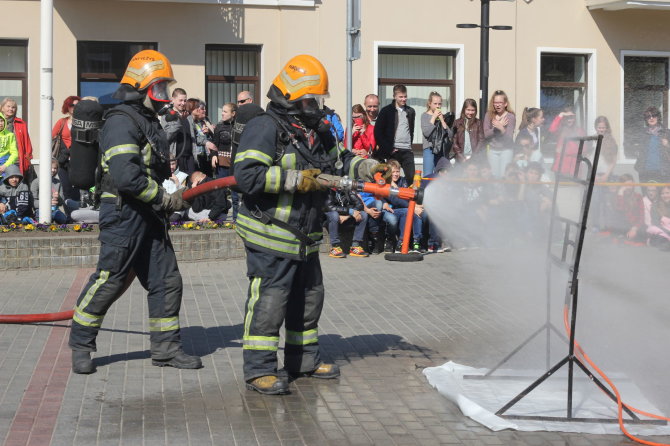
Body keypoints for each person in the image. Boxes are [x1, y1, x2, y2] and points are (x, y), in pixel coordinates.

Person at [233, 54, 387, 395]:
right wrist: (297, 179)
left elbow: (341, 161)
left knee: (309, 298)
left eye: (318, 99)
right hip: (271, 233)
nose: (317, 105)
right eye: (311, 99)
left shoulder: (315, 130)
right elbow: (247, 176)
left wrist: (371, 167)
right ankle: (259, 369)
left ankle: (303, 361)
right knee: (269, 303)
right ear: (292, 96)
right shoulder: (264, 127)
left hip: (304, 236)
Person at [68, 49, 200, 374]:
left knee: (167, 281)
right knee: (109, 280)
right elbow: (127, 177)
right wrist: (164, 198)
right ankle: (81, 345)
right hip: (124, 214)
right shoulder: (120, 122)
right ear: (144, 87)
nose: (166, 97)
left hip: (150, 216)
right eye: (160, 88)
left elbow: (154, 172)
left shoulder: (148, 122)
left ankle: (166, 349)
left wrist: (175, 192)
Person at [374, 84, 416, 181]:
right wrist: (389, 148)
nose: (403, 99)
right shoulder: (386, 111)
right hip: (393, 151)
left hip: (407, 150)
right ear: (394, 96)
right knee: (391, 177)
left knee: (411, 177)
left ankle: (407, 195)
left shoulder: (410, 111)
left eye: (405, 96)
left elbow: (411, 130)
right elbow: (378, 132)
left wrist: (410, 145)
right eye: (400, 97)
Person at [212, 102, 240, 221]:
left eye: (225, 111)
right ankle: (221, 218)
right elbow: (214, 143)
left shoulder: (239, 127)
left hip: (235, 164)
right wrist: (214, 155)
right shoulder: (219, 126)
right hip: (222, 164)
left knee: (235, 194)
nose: (222, 113)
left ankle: (236, 219)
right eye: (222, 111)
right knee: (221, 192)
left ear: (233, 113)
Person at [325, 187, 369, 258]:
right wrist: (350, 211)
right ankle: (335, 247)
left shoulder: (347, 189)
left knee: (363, 215)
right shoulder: (327, 191)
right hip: (330, 218)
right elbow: (330, 207)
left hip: (345, 216)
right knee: (334, 215)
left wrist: (348, 216)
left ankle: (355, 246)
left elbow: (360, 204)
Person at [52, 95, 81, 201]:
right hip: (63, 160)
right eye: (72, 105)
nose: (75, 107)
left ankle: (76, 214)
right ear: (67, 107)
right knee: (66, 188)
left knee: (77, 189)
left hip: (78, 160)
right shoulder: (62, 122)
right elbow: (51, 138)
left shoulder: (83, 122)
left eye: (78, 105)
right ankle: (69, 214)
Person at [162, 88, 196, 175]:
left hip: (189, 158)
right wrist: (179, 121)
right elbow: (167, 136)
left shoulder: (188, 116)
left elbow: (194, 136)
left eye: (185, 100)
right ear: (173, 100)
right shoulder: (167, 116)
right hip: (176, 159)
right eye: (180, 100)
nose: (183, 103)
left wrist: (206, 142)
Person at [483, 90, 516, 178]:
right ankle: (494, 192)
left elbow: (509, 137)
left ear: (505, 104)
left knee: (503, 175)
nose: (497, 105)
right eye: (495, 102)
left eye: (500, 102)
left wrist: (501, 128)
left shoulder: (511, 117)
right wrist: (496, 128)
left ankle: (504, 192)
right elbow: (486, 134)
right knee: (494, 176)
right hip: (492, 150)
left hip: (506, 150)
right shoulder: (488, 115)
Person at [634, 107, 670, 183]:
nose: (651, 118)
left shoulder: (666, 132)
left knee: (662, 194)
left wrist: (667, 145)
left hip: (663, 171)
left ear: (658, 117)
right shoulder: (642, 133)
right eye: (648, 116)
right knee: (646, 194)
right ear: (646, 119)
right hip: (645, 171)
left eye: (653, 115)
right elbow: (631, 145)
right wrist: (636, 150)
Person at [549, 106, 586, 176]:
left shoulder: (580, 131)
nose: (569, 120)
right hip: (560, 167)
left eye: (571, 118)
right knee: (560, 186)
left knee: (573, 186)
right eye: (567, 118)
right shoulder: (560, 130)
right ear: (564, 119)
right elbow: (552, 129)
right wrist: (561, 115)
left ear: (575, 118)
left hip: (574, 167)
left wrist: (565, 151)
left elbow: (583, 149)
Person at [1, 98, 33, 178]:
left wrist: (27, 159)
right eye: (8, 106)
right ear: (2, 108)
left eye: (13, 107)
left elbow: (27, 142)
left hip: (17, 160)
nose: (11, 109)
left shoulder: (21, 123)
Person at [421, 91, 450, 176]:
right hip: (429, 149)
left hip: (441, 150)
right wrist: (434, 117)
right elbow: (427, 132)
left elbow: (450, 134)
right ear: (429, 103)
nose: (438, 106)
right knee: (428, 175)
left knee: (441, 176)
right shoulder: (425, 116)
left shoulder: (443, 117)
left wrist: (442, 120)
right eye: (435, 103)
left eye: (440, 104)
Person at [30, 158, 66, 224]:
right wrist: (48, 203)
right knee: (43, 222)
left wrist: (58, 198)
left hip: (54, 210)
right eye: (50, 167)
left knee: (63, 219)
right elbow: (33, 203)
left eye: (55, 168)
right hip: (40, 210)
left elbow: (61, 203)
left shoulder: (58, 183)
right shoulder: (36, 182)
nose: (53, 170)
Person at [452, 98, 484, 163]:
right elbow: (454, 142)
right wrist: (461, 157)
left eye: (473, 110)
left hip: (474, 157)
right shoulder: (457, 123)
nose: (470, 112)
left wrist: (473, 157)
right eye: (468, 110)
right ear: (464, 110)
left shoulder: (478, 123)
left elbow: (481, 140)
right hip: (461, 157)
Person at [0, 112, 18, 181]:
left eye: (1, 121)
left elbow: (14, 153)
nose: (0, 123)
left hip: (5, 163)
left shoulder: (10, 135)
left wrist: (5, 166)